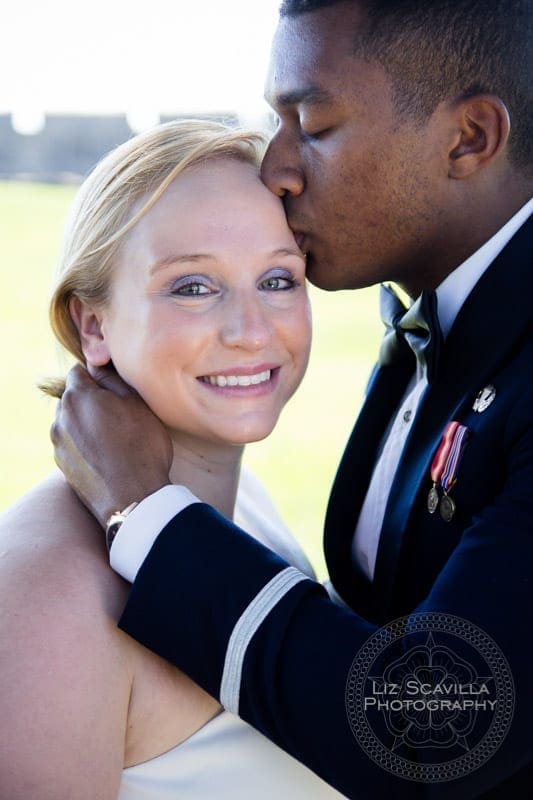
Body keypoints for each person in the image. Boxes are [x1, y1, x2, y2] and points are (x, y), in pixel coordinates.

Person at [51, 0, 533, 797]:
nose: (275, 166)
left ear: (467, 139)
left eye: (311, 122)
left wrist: (148, 513)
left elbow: (431, 731)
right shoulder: (438, 317)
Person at [0, 119, 349, 799]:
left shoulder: (245, 510)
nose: (251, 331)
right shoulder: (47, 593)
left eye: (278, 279)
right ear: (91, 325)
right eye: (193, 287)